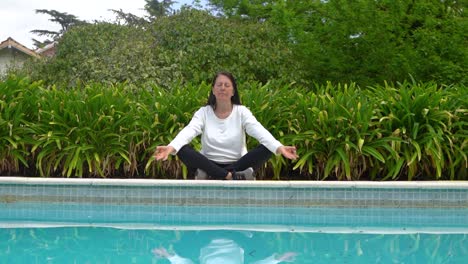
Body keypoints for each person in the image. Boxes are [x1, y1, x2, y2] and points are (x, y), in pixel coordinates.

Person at [154, 71, 298, 180]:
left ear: (233, 91)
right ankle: (231, 176)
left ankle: (217, 174)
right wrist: (170, 148)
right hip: (209, 163)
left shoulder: (242, 112)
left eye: (227, 85)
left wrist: (279, 147)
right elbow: (189, 131)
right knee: (182, 149)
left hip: (238, 163)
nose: (223, 88)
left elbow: (259, 131)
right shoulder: (204, 112)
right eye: (219, 85)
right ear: (213, 90)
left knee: (267, 148)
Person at [152, 238, 297, 264]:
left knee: (183, 248)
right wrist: (279, 258)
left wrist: (169, 255)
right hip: (237, 237)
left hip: (207, 237)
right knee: (260, 250)